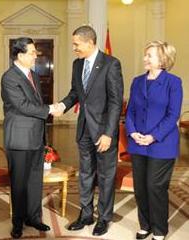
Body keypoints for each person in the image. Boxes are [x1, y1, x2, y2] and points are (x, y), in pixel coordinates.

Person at [54, 25, 123, 236]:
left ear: (90, 42)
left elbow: (115, 102)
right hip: (84, 128)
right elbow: (75, 93)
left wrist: (108, 133)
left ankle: (104, 217)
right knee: (85, 174)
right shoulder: (77, 64)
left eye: (76, 44)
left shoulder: (111, 64)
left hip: (103, 131)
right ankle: (85, 215)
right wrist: (62, 106)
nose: (74, 48)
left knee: (105, 176)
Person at [1, 37, 58, 239]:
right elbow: (22, 106)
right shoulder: (9, 77)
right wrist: (50, 109)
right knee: (19, 183)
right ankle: (17, 223)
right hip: (19, 138)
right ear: (20, 55)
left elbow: (35, 105)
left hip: (35, 137)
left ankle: (34, 217)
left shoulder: (33, 74)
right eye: (32, 52)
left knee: (35, 181)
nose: (36, 55)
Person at [125, 41, 182, 240]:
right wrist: (132, 133)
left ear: (163, 59)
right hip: (137, 143)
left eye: (150, 55)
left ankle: (159, 230)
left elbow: (173, 114)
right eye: (145, 54)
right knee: (140, 186)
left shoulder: (173, 82)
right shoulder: (137, 81)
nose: (145, 58)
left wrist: (152, 136)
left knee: (155, 186)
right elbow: (130, 110)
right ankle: (146, 225)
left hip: (162, 143)